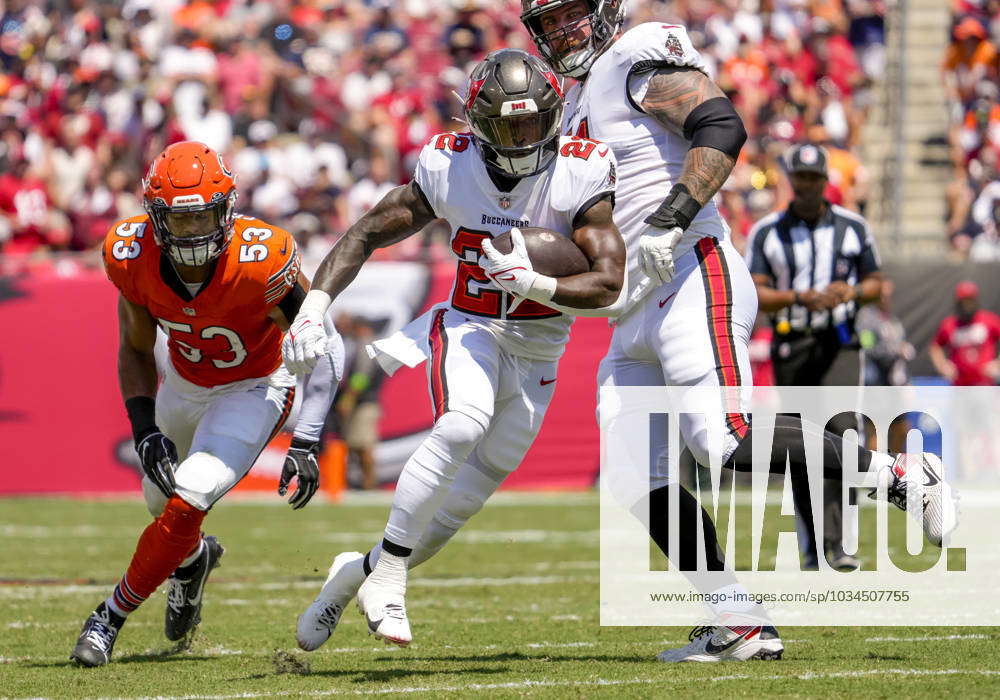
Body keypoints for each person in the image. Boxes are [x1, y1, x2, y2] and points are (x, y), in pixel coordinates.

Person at [516, 0, 956, 663]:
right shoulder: (574, 102)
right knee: (636, 475)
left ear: (603, 8)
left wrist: (671, 217)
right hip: (630, 307)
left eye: (569, 15)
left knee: (723, 440)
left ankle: (900, 475)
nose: (560, 32)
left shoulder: (634, 59)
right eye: (546, 24)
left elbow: (721, 125)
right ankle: (738, 620)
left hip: (692, 270)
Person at [284, 49, 626, 649]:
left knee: (451, 518)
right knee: (461, 424)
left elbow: (608, 281)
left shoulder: (582, 169)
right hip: (468, 324)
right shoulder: (449, 165)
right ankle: (388, 576)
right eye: (508, 125)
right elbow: (365, 232)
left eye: (532, 123)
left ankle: (351, 577)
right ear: (479, 125)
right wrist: (314, 307)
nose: (522, 139)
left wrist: (538, 284)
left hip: (541, 343)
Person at [70, 142, 343, 667]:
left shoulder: (262, 261)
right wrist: (144, 427)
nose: (194, 232)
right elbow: (133, 347)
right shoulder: (132, 254)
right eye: (181, 219)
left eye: (204, 218)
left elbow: (326, 343)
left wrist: (307, 437)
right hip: (183, 383)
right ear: (155, 217)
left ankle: (108, 617)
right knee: (160, 504)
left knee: (188, 498)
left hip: (256, 386)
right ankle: (193, 564)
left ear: (228, 209)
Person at [745, 142, 884, 572]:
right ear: (791, 179)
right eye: (800, 177)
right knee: (803, 445)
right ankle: (814, 542)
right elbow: (757, 292)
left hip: (839, 342)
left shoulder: (853, 227)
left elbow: (877, 281)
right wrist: (798, 296)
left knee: (843, 434)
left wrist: (852, 291)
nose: (806, 186)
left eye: (813, 178)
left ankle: (839, 543)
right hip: (793, 343)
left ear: (825, 181)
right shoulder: (767, 231)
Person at [929, 280, 1000, 386]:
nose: (967, 306)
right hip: (959, 386)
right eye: (964, 302)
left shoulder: (989, 320)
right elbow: (935, 347)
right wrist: (943, 366)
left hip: (985, 385)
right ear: (957, 302)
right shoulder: (949, 324)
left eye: (970, 301)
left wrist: (998, 364)